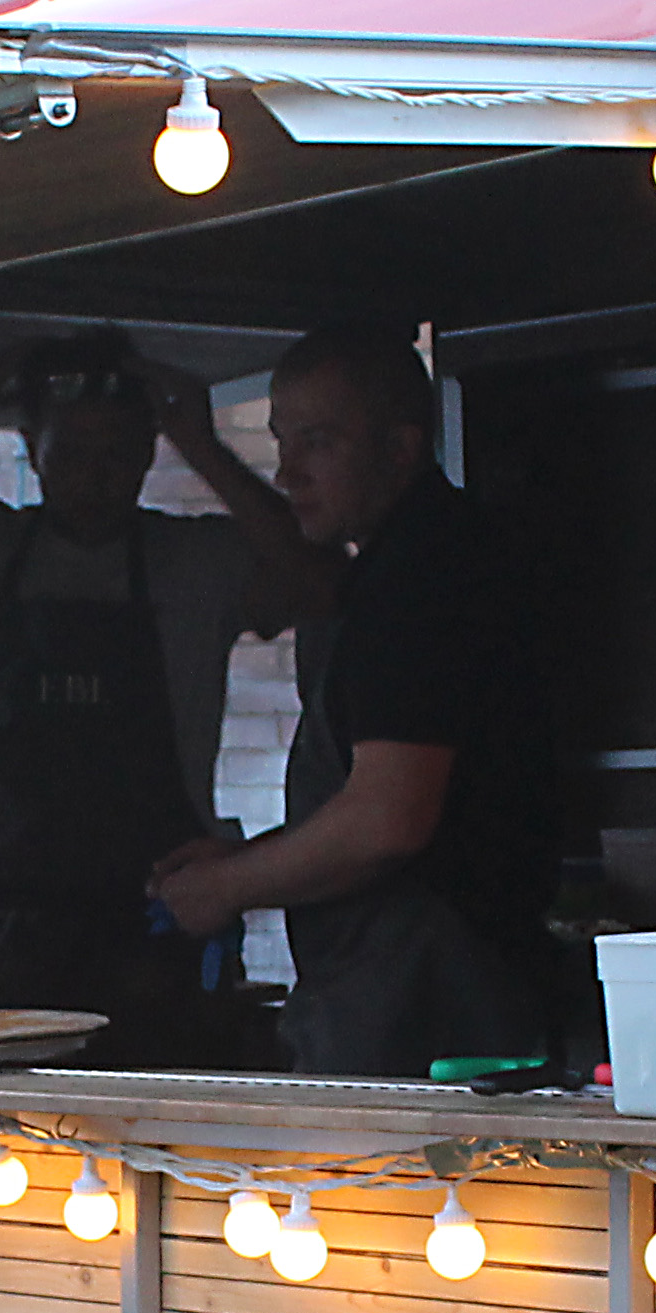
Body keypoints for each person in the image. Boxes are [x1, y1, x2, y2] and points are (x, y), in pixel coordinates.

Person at [0, 332, 312, 1061]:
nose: (94, 477)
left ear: (146, 453)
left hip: (156, 930)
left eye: (117, 456)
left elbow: (316, 576)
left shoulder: (194, 564)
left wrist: (203, 445)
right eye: (71, 452)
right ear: (31, 448)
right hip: (4, 935)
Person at [148, 328, 561, 1078]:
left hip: (429, 1011)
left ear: (401, 448)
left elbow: (387, 820)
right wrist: (252, 857)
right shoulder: (407, 565)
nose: (288, 473)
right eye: (282, 442)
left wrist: (227, 885)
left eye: (320, 442)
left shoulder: (420, 583)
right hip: (414, 993)